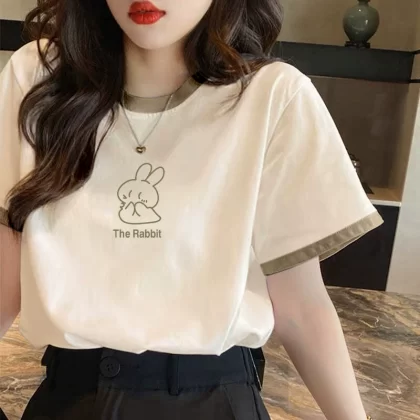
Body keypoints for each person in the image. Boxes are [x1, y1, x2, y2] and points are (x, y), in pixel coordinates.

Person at [0, 0, 382, 419]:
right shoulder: (38, 78)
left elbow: (300, 308)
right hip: (69, 399)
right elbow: (5, 277)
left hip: (214, 401)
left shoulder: (273, 96)